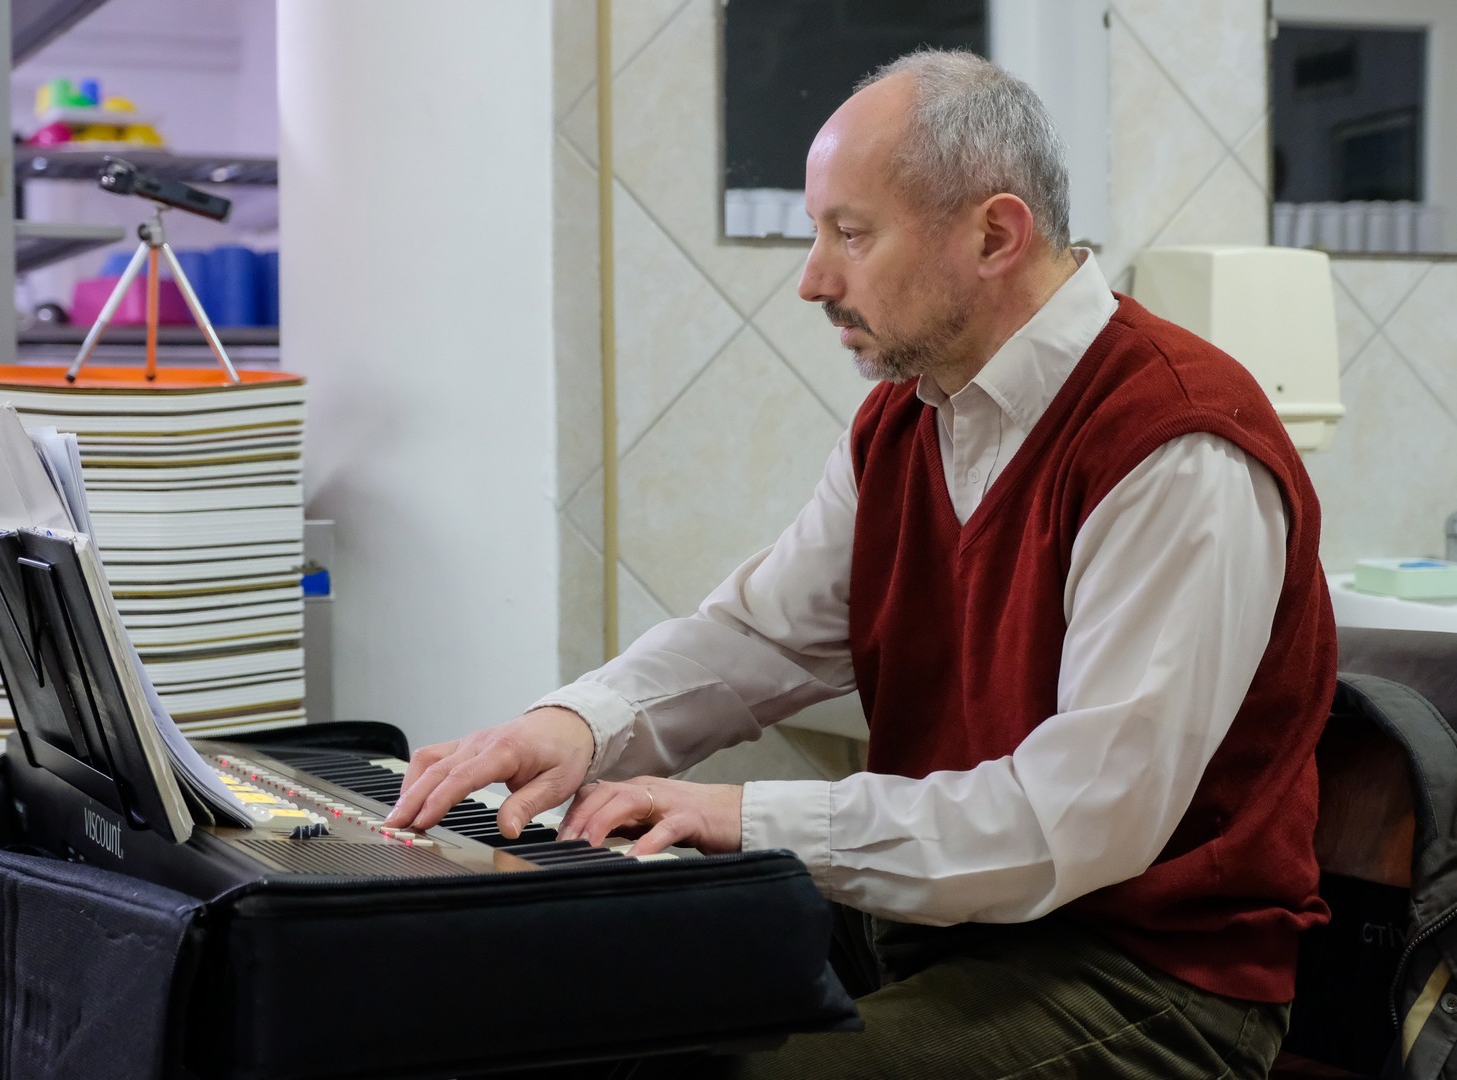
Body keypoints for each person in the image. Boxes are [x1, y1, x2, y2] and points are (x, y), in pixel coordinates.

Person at [385, 47, 1335, 1079]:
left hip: (1145, 979)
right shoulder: (906, 422)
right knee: (567, 999)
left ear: (995, 235)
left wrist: (738, 815)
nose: (813, 281)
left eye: (851, 234)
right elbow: (759, 637)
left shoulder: (1176, 443)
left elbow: (1078, 821)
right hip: (948, 934)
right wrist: (574, 726)